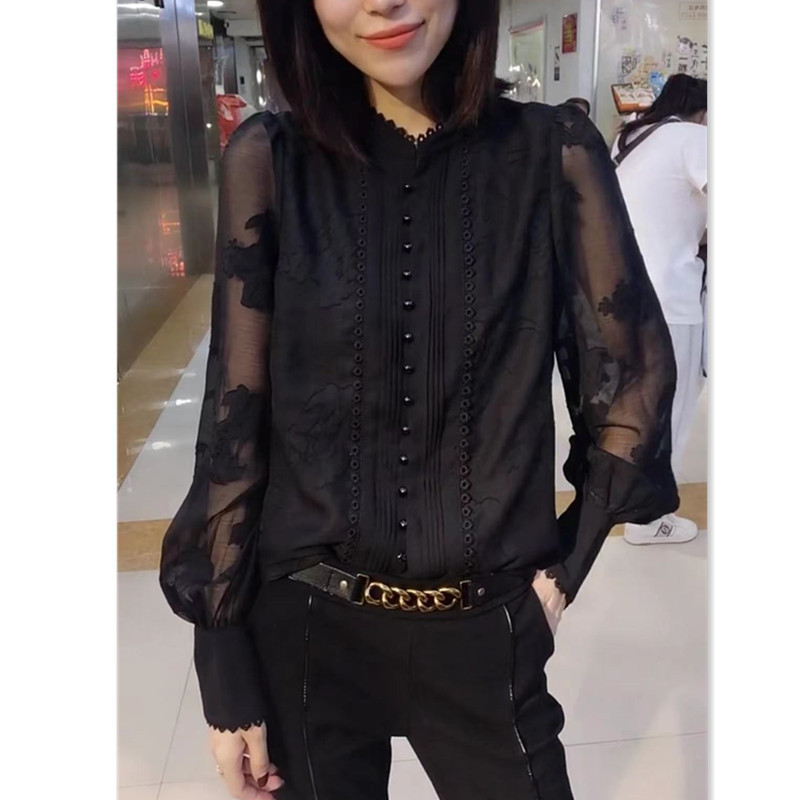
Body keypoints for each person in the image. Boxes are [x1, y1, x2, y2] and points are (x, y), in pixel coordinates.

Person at [159, 2, 678, 798]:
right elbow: (235, 417)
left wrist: (565, 569)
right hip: (304, 626)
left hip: (485, 628)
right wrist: (223, 664)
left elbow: (633, 376)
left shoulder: (552, 152)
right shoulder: (270, 157)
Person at [610, 74, 707, 546]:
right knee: (675, 405)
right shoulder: (694, 138)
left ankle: (628, 504)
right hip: (670, 295)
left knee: (636, 406)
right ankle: (650, 519)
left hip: (622, 295)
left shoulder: (630, 137)